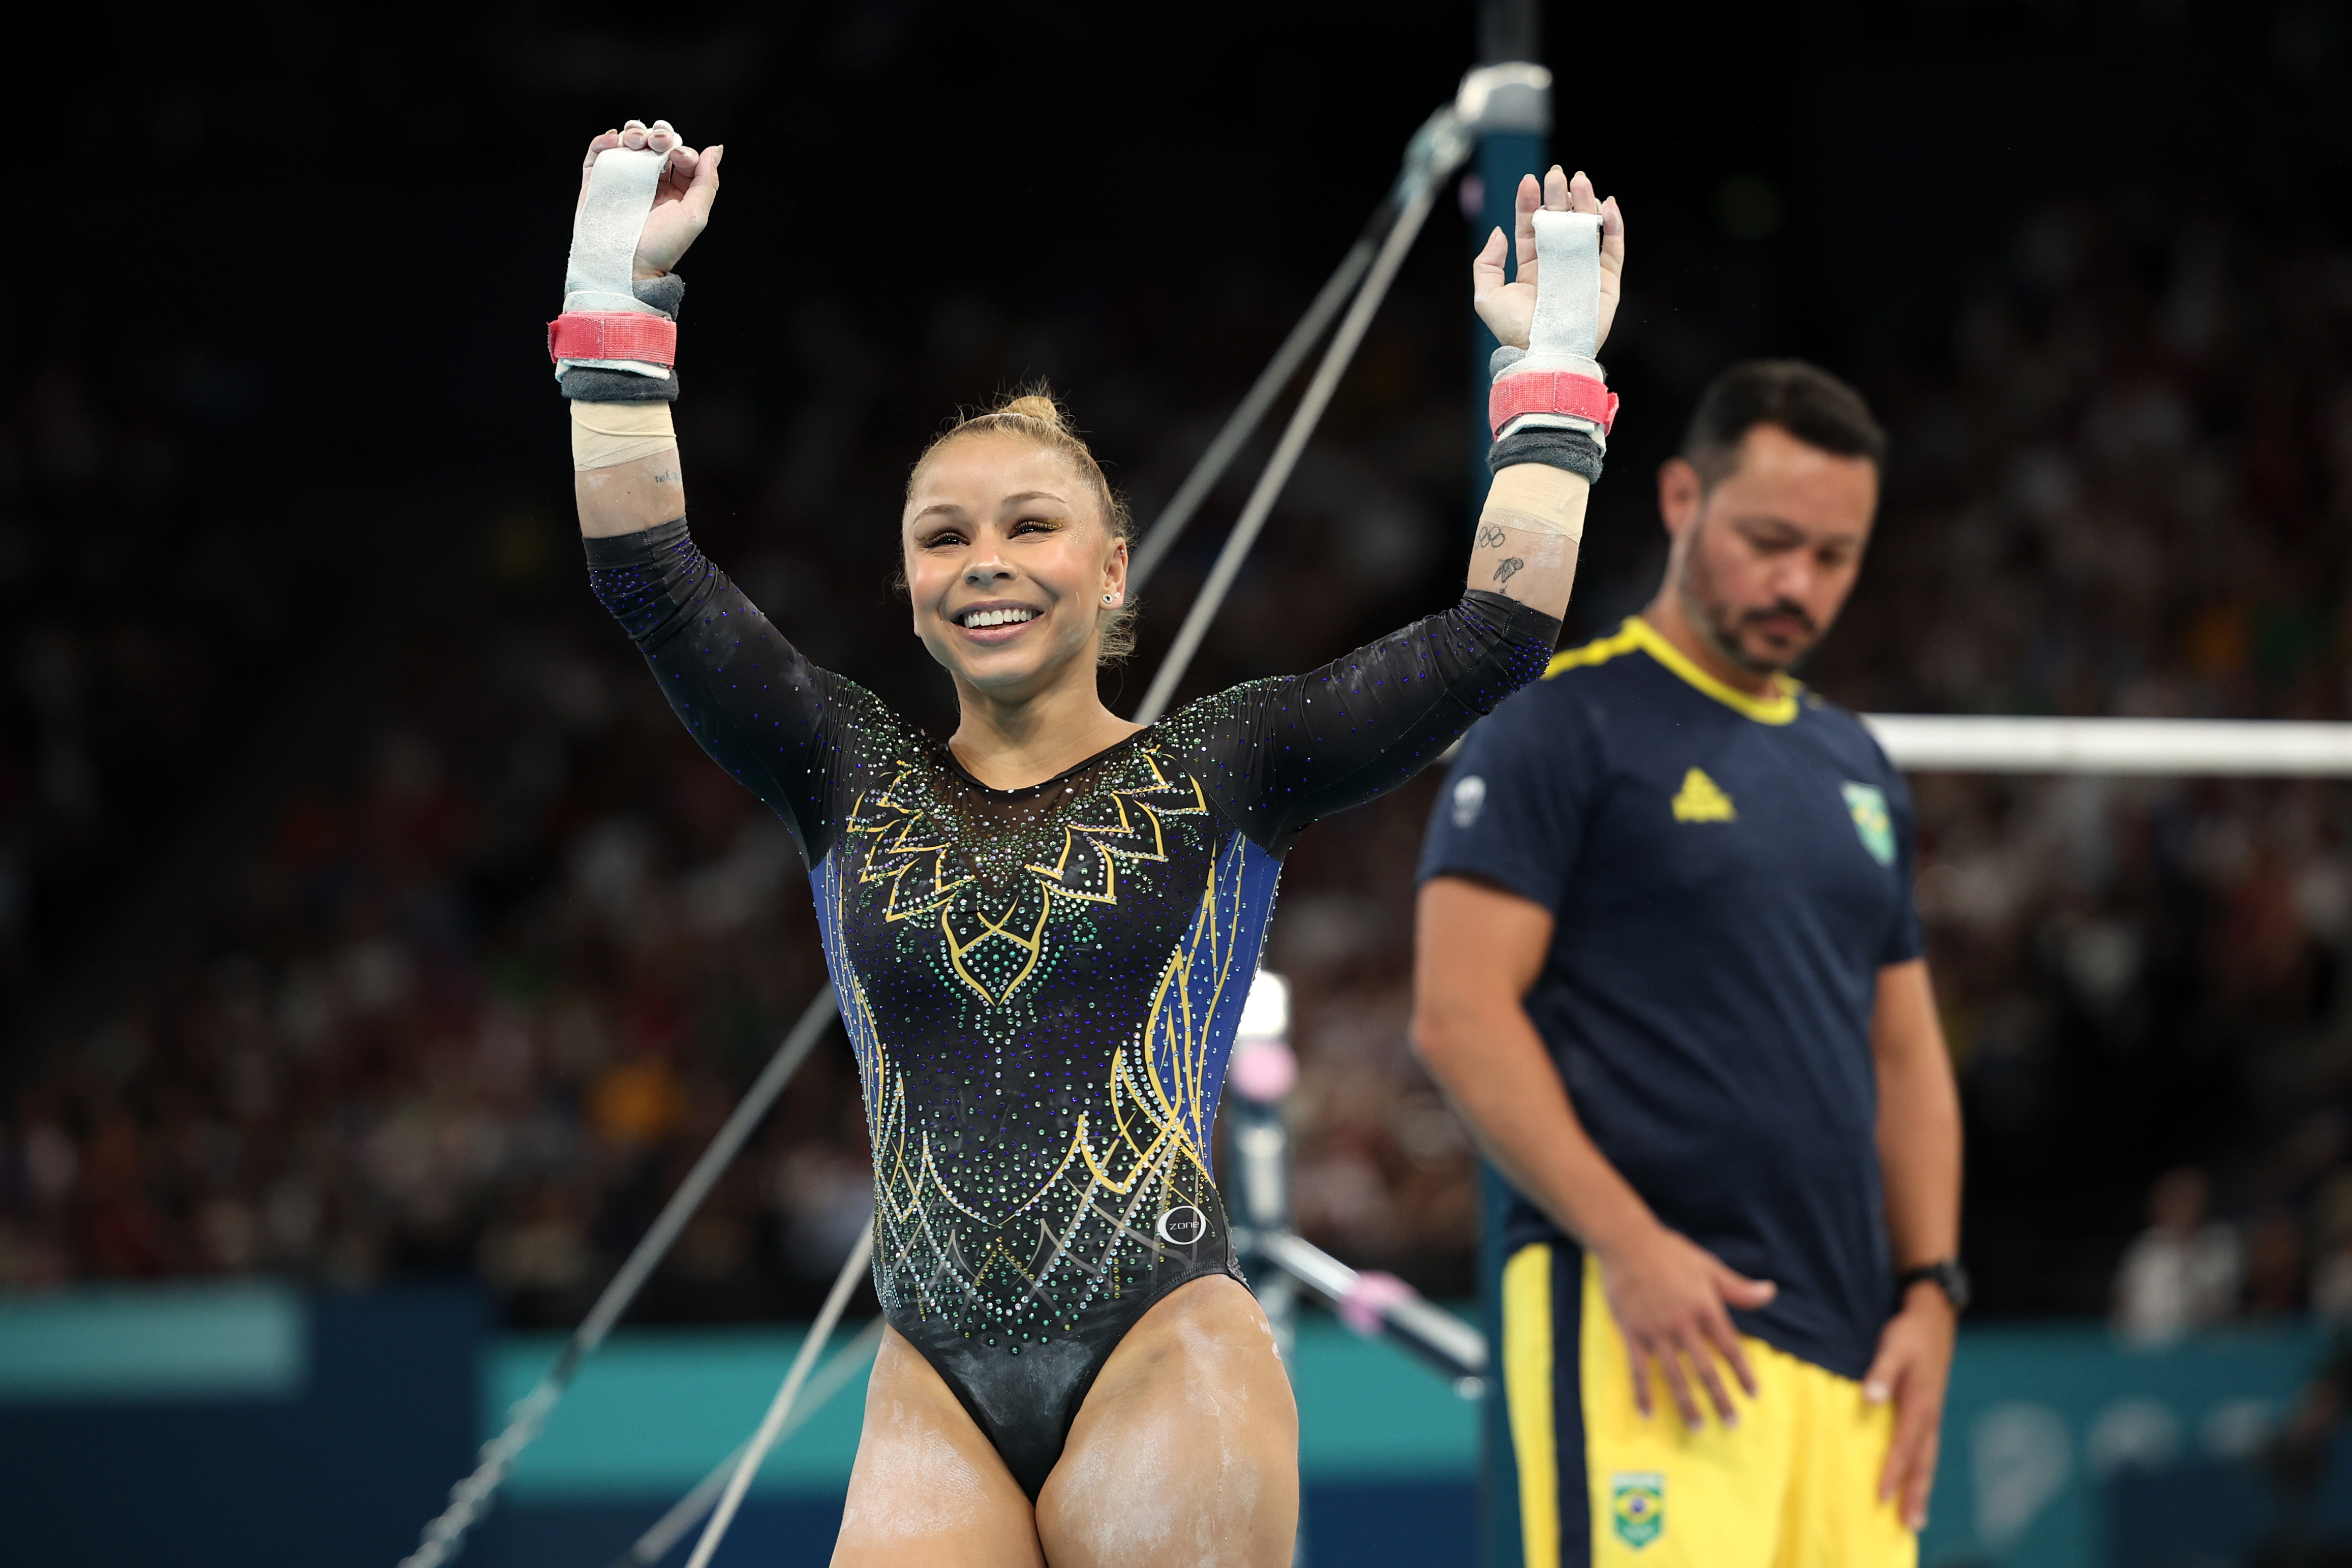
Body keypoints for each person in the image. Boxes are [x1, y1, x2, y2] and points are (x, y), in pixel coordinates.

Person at [558, 119, 1624, 1565]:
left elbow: (1498, 635)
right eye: (942, 537)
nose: (983, 559)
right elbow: (646, 574)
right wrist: (619, 296)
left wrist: (1548, 363)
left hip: (1160, 1343)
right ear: (910, 584)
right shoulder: (841, 766)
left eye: (1028, 525)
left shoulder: (1226, 762)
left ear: (1110, 565)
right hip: (926, 1374)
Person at [1411, 361, 1965, 1566]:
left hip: (1853, 1347)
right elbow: (1458, 1015)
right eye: (1769, 540)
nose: (1796, 585)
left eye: (1834, 557)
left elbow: (1908, 1055)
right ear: (1677, 498)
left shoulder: (1856, 765)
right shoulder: (1561, 723)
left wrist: (1931, 1291)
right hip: (1642, 1322)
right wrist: (1629, 1243)